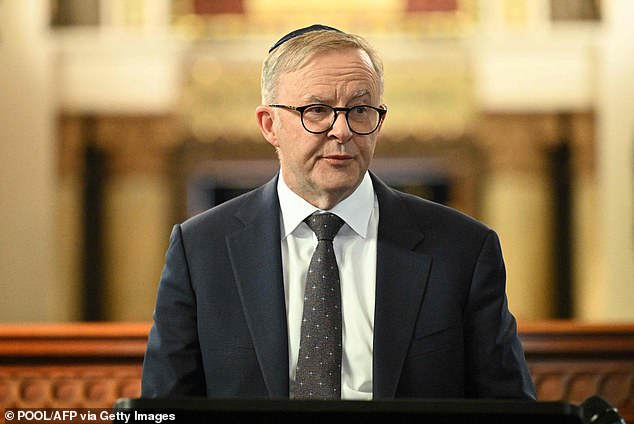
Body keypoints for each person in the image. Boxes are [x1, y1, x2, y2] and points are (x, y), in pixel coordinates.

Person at [141, 24, 536, 400]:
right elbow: (162, 409)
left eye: (360, 111)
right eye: (317, 110)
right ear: (269, 125)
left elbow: (508, 407)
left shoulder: (462, 248)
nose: (342, 131)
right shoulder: (200, 250)